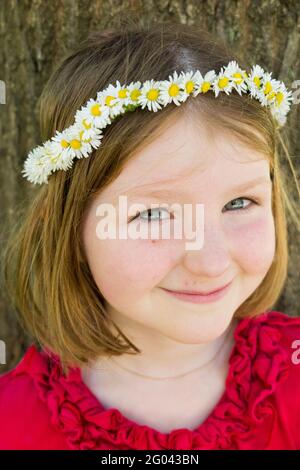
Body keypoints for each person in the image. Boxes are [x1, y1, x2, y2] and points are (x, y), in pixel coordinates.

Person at [0, 20, 300, 450]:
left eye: (238, 203)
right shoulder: (11, 424)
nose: (211, 261)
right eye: (155, 214)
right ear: (69, 227)